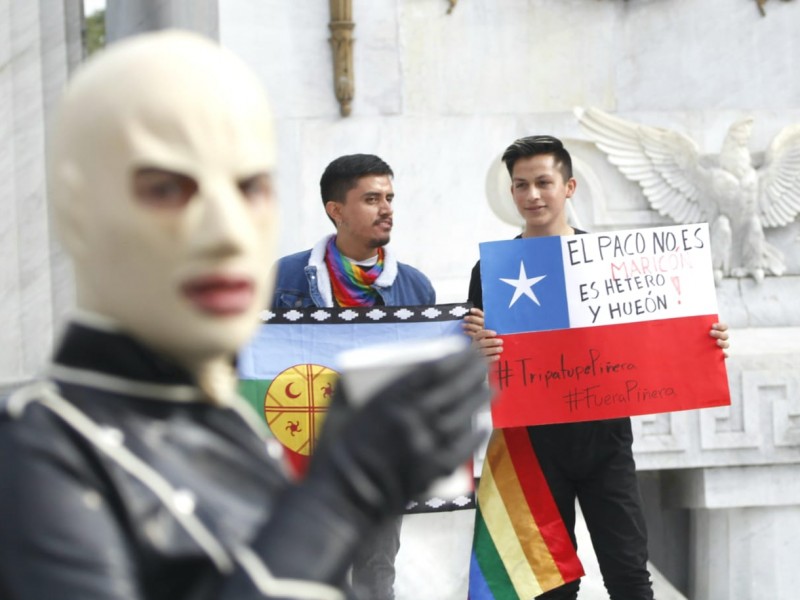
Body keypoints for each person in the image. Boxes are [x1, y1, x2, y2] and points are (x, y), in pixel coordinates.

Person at [0, 31, 490, 600]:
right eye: (167, 189)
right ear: (79, 210)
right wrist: (337, 499)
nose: (227, 230)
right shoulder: (38, 450)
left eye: (250, 187)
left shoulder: (234, 434)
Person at [463, 135, 730, 600]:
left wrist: (706, 341)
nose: (532, 195)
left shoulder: (617, 264)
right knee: (550, 587)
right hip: (530, 444)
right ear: (511, 193)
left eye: (543, 182)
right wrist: (475, 352)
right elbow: (467, 373)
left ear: (569, 186)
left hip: (605, 440)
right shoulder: (488, 272)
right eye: (521, 185)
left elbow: (657, 340)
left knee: (629, 575)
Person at [270, 153, 434, 600]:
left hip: (381, 461)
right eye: (372, 199)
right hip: (309, 459)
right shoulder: (284, 279)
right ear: (335, 210)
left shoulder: (415, 288)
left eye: (390, 197)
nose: (387, 209)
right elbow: (261, 364)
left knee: (376, 577)